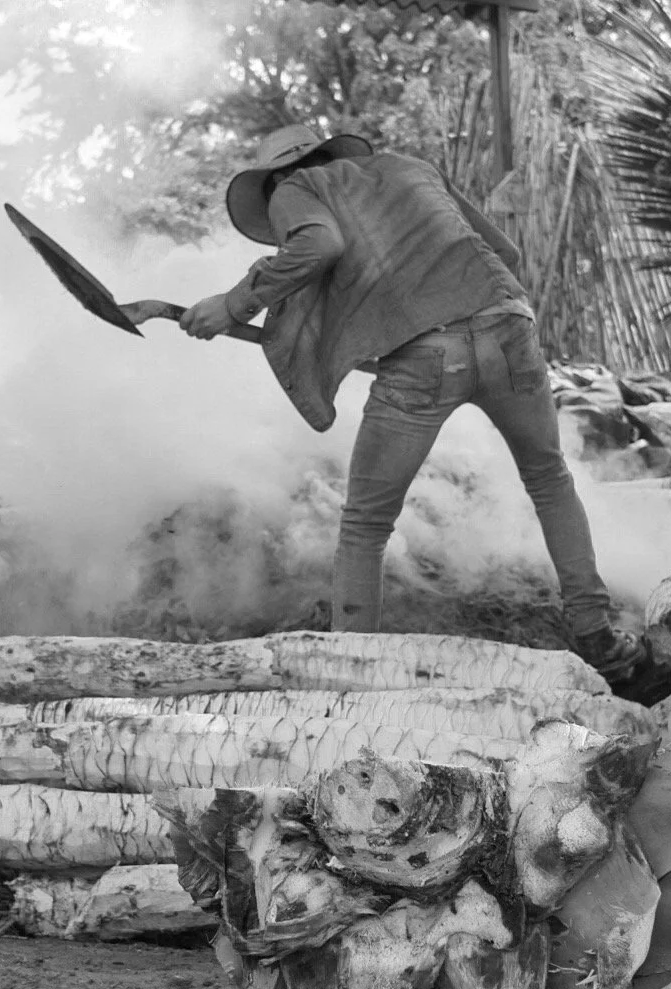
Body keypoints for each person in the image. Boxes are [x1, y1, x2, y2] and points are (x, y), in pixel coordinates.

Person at [179, 124, 645, 680]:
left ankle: (351, 671)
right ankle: (598, 636)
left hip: (425, 359)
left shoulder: (292, 189)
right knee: (549, 478)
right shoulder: (411, 167)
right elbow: (505, 252)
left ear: (275, 178)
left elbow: (319, 244)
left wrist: (233, 304)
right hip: (509, 328)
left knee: (365, 523)